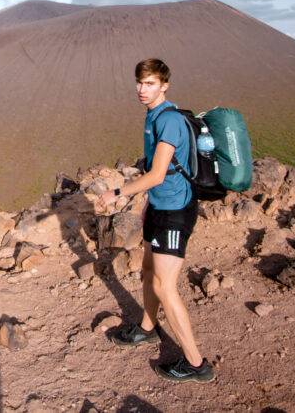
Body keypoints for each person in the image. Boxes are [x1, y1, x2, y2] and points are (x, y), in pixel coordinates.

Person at [98, 58, 214, 383]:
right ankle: (148, 329)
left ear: (164, 85)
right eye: (139, 82)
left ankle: (197, 364)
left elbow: (158, 173)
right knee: (148, 270)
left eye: (149, 83)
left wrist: (118, 192)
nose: (141, 89)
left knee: (164, 285)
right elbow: (162, 175)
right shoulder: (153, 116)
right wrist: (149, 204)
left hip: (176, 211)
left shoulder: (170, 120)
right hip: (160, 207)